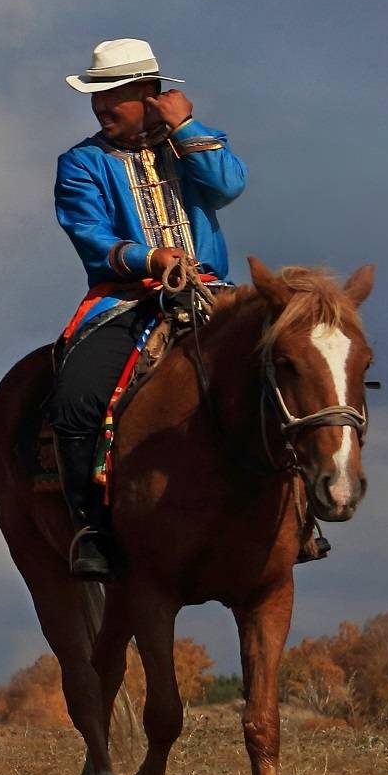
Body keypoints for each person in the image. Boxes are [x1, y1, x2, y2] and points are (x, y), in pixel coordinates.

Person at [50, 37, 255, 580]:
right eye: (95, 95)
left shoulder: (198, 146)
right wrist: (150, 256)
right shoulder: (81, 163)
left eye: (111, 94)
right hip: (128, 299)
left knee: (286, 370)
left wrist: (185, 127)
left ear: (149, 94)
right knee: (76, 397)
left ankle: (298, 515)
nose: (98, 106)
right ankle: (91, 526)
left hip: (214, 290)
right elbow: (90, 235)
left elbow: (228, 185)